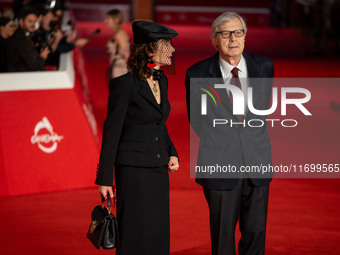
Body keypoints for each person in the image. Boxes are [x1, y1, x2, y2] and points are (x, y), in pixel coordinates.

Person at [185, 12, 274, 255]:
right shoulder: (198, 74)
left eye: (238, 32)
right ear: (215, 40)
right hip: (219, 164)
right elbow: (198, 121)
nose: (232, 38)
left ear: (245, 37)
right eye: (225, 34)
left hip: (257, 162)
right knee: (223, 238)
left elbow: (262, 110)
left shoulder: (264, 67)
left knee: (256, 234)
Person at [96, 20, 179, 255]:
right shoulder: (124, 85)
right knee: (134, 230)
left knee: (158, 229)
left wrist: (171, 150)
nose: (172, 50)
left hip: (158, 168)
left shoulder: (162, 80)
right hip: (133, 171)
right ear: (150, 50)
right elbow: (112, 132)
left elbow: (157, 122)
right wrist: (104, 179)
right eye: (167, 45)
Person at [7, 6, 50, 72]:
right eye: (30, 21)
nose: (33, 24)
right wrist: (42, 57)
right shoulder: (20, 40)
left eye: (35, 21)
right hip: (21, 78)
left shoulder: (23, 36)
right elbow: (35, 67)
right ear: (21, 22)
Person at [105, 9, 130, 79]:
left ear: (116, 20)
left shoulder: (120, 34)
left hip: (120, 69)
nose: (105, 21)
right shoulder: (118, 33)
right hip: (117, 67)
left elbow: (126, 53)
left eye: (108, 18)